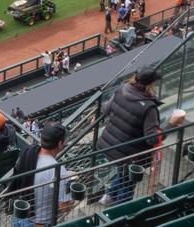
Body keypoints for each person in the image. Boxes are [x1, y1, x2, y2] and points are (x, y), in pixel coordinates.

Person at [96, 68, 185, 205]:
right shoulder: (149, 107)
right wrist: (171, 123)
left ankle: (110, 196)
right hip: (130, 156)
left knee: (123, 173)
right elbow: (153, 139)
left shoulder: (121, 89)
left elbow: (105, 110)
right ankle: (119, 212)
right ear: (150, 85)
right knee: (128, 184)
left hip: (108, 145)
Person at [10, 125, 74, 227]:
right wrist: (74, 196)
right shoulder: (58, 170)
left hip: (19, 216)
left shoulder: (27, 152)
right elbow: (64, 207)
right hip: (38, 223)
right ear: (60, 144)